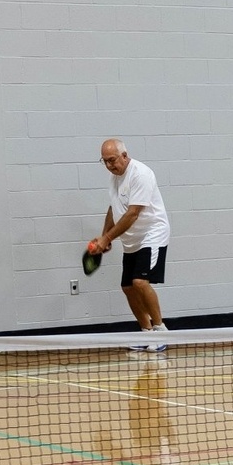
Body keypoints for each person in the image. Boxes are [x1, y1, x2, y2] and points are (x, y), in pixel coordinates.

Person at [91, 139, 171, 351]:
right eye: (105, 161)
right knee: (127, 286)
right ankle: (146, 332)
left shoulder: (141, 174)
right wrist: (104, 236)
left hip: (151, 234)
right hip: (132, 239)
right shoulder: (114, 178)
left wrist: (107, 239)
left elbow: (132, 213)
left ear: (124, 156)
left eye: (113, 160)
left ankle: (161, 331)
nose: (109, 165)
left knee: (140, 282)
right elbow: (114, 209)